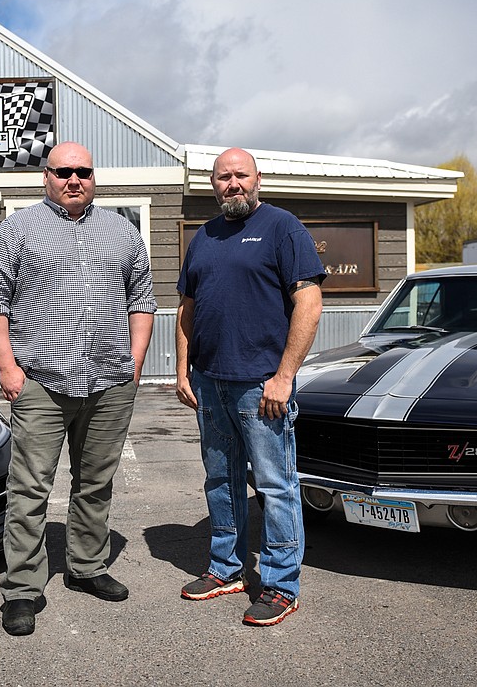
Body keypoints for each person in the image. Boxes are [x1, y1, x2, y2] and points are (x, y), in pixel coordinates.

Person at [0, 140, 157, 636]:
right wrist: (9, 369)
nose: (73, 179)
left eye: (83, 172)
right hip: (40, 383)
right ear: (46, 177)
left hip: (109, 381)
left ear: (94, 177)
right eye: (63, 172)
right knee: (29, 488)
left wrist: (135, 364)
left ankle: (87, 566)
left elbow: (142, 301)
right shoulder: (17, 230)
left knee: (95, 482)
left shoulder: (123, 232)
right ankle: (22, 589)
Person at [175, 146, 325, 627]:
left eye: (241, 175)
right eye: (223, 177)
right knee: (220, 480)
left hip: (261, 385)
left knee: (275, 484)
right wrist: (183, 368)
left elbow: (309, 301)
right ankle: (226, 569)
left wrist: (284, 377)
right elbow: (187, 308)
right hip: (210, 381)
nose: (232, 183)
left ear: (258, 179)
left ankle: (282, 584)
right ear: (212, 184)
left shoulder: (283, 227)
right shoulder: (203, 238)